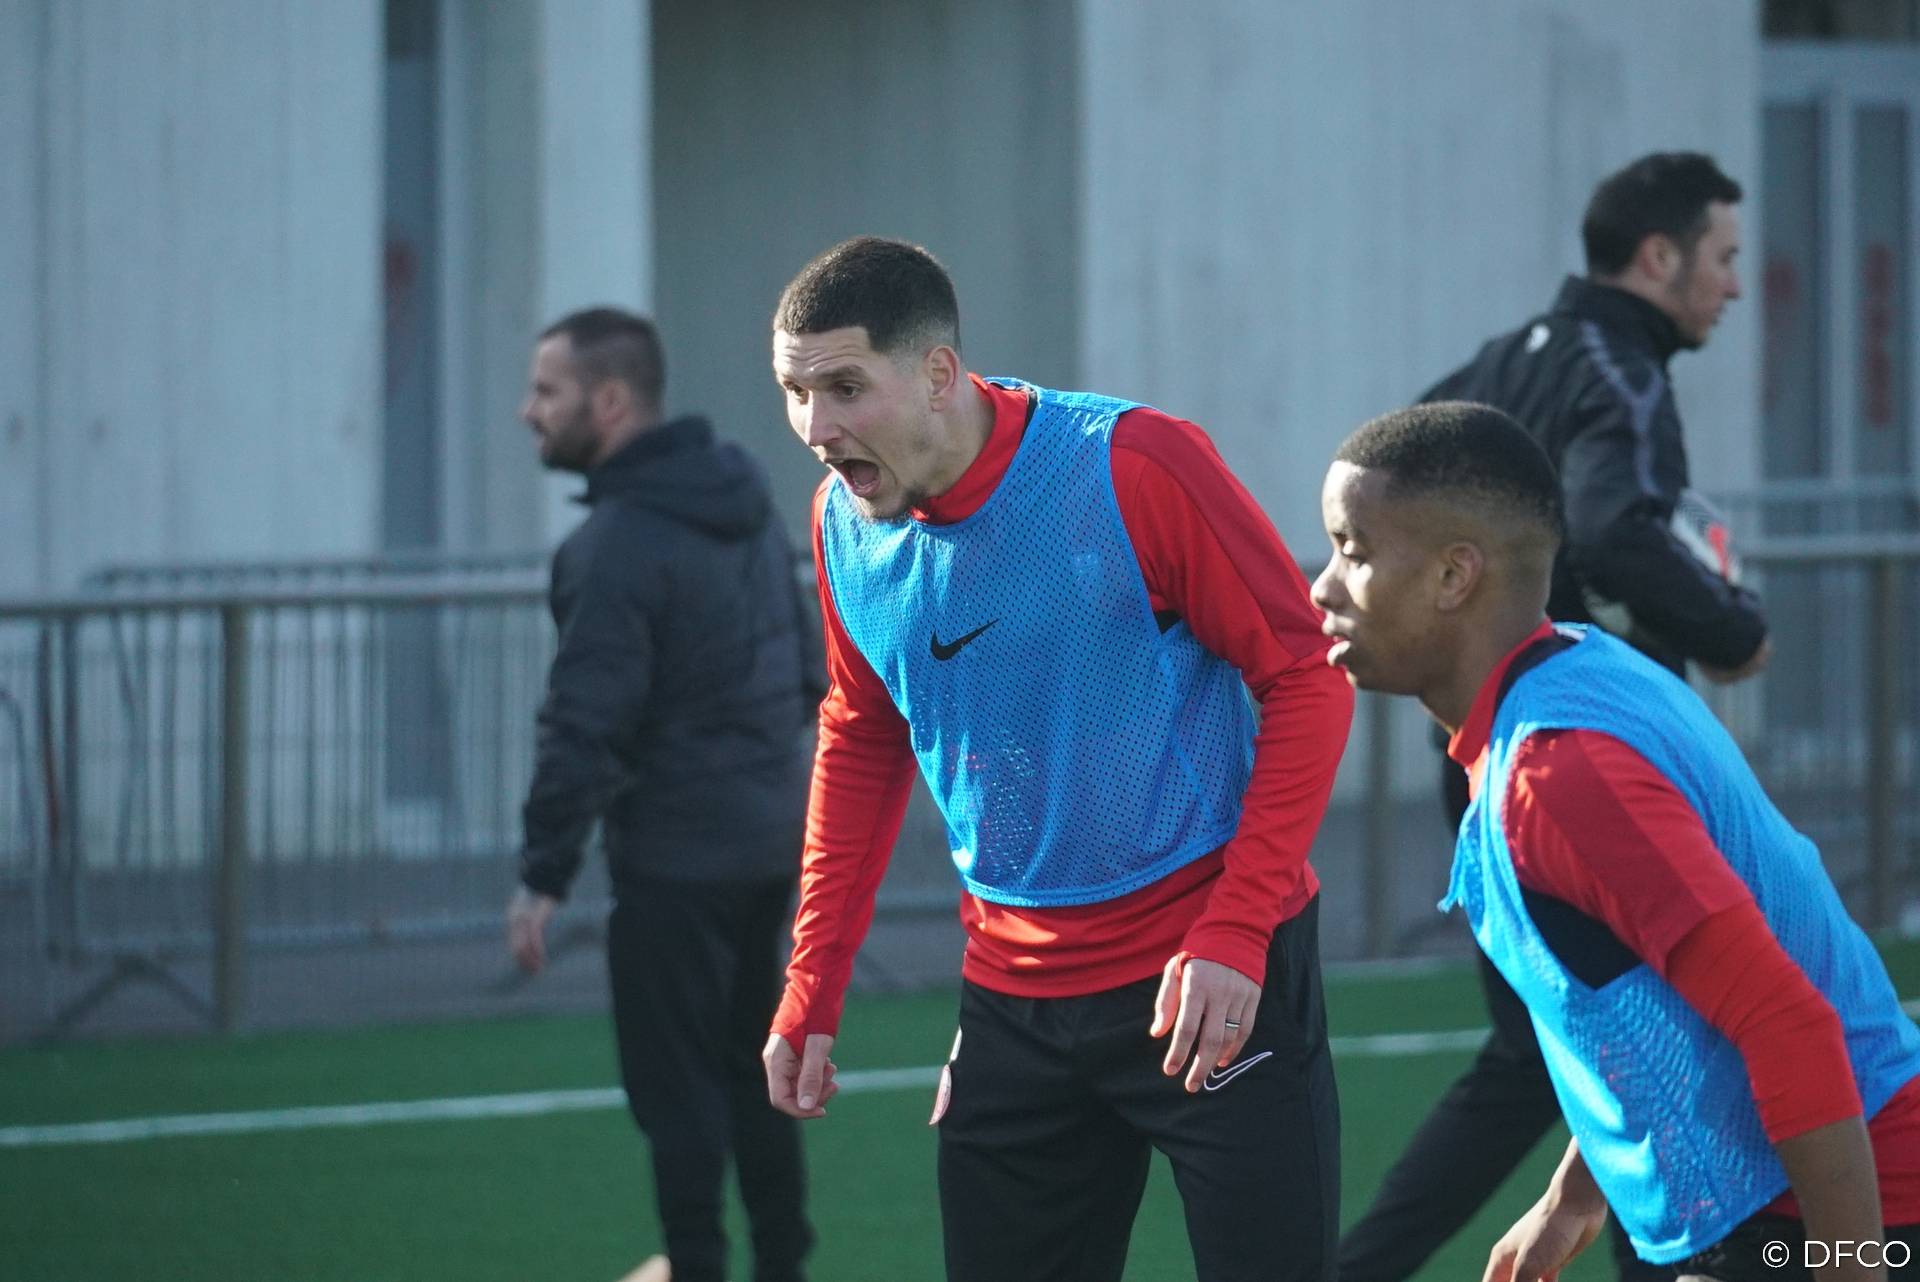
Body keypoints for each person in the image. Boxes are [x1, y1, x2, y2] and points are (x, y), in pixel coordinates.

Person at [758, 236, 1353, 1282]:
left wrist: (1238, 926)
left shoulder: (1132, 465)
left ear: (939, 373)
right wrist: (812, 982)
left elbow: (1306, 676)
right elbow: (861, 737)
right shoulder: (842, 526)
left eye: (845, 388)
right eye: (795, 393)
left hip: (1209, 971)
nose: (815, 427)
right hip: (1013, 998)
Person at [1312, 400, 1920, 1282]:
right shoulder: (1579, 665)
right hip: (1785, 1204)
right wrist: (1573, 1197)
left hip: (1825, 1217)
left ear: (1453, 576)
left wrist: (1850, 1266)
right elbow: (1652, 994)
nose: (1324, 587)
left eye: (1354, 551)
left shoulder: (1559, 778)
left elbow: (1789, 1026)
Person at [1339, 151, 1772, 1282]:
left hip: (1485, 753)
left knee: (1547, 1054)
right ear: (1660, 257)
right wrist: (1730, 624)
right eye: (1725, 257)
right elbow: (1614, 526)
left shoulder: (1502, 360)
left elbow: (1403, 487)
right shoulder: (1618, 372)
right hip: (1584, 769)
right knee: (1665, 1035)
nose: (1735, 284)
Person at [506, 306, 819, 1282]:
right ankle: (782, 1266)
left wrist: (543, 874)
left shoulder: (611, 547)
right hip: (769, 843)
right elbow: (807, 670)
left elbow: (584, 724)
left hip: (677, 862)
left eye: (545, 391)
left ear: (609, 401)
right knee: (754, 1070)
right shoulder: (747, 503)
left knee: (676, 1089)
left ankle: (694, 1265)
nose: (527, 411)